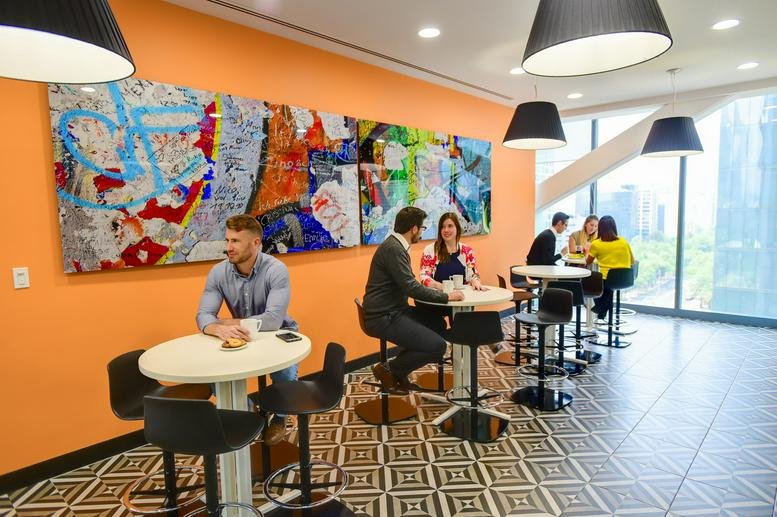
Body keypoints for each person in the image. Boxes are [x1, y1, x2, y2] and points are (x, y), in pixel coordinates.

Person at [196, 214, 298, 446]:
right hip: (241, 337)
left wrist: (225, 323)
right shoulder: (218, 272)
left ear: (255, 243)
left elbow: (272, 321)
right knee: (212, 374)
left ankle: (280, 418)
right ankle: (249, 410)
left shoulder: (276, 269)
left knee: (285, 374)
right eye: (228, 240)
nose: (228, 248)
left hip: (279, 334)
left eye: (236, 241)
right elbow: (203, 315)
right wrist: (215, 328)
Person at [362, 206, 465, 393]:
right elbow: (411, 287)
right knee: (438, 346)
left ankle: (399, 373)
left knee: (437, 324)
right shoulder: (394, 249)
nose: (422, 232)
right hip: (383, 316)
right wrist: (446, 296)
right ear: (414, 229)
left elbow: (409, 284)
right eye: (422, 228)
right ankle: (390, 370)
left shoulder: (395, 246)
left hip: (394, 310)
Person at [416, 212, 486, 332]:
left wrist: (475, 281)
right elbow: (424, 277)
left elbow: (472, 274)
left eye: (450, 226)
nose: (446, 230)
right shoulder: (431, 250)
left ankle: (460, 347)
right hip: (438, 300)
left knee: (463, 329)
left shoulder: (466, 250)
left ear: (457, 229)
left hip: (459, 300)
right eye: (442, 227)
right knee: (438, 329)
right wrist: (441, 287)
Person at [586, 215, 635, 320]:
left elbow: (588, 261)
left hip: (607, 280)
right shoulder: (624, 241)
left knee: (591, 277)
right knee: (609, 289)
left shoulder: (596, 244)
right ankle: (602, 310)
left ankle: (600, 307)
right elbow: (632, 261)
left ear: (600, 228)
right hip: (626, 279)